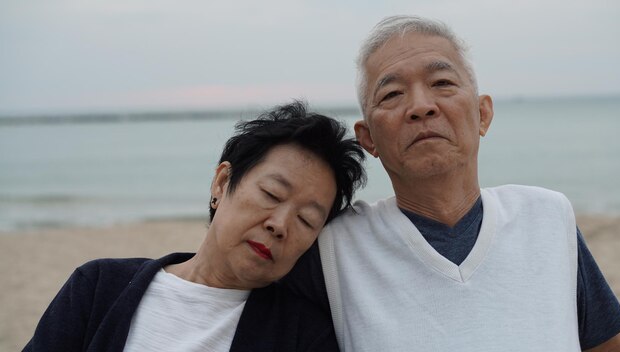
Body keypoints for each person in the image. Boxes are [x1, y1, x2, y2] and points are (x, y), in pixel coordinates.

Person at [283, 16, 620, 351]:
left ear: (483, 114)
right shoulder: (334, 248)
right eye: (391, 94)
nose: (420, 106)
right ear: (368, 138)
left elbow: (609, 343)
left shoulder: (547, 217)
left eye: (442, 83)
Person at [24, 101, 366, 351]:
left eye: (306, 220)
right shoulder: (97, 288)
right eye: (271, 194)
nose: (280, 225)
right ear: (221, 183)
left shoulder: (303, 336)